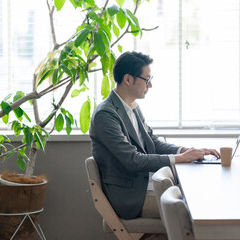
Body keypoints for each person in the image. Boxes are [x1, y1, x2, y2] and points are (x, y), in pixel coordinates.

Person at [89, 51, 220, 221]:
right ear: (128, 79)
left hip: (145, 184)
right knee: (192, 211)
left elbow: (153, 143)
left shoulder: (132, 107)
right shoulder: (105, 115)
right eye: (147, 79)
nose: (150, 85)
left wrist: (187, 150)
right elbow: (133, 160)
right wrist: (180, 158)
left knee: (200, 198)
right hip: (129, 197)